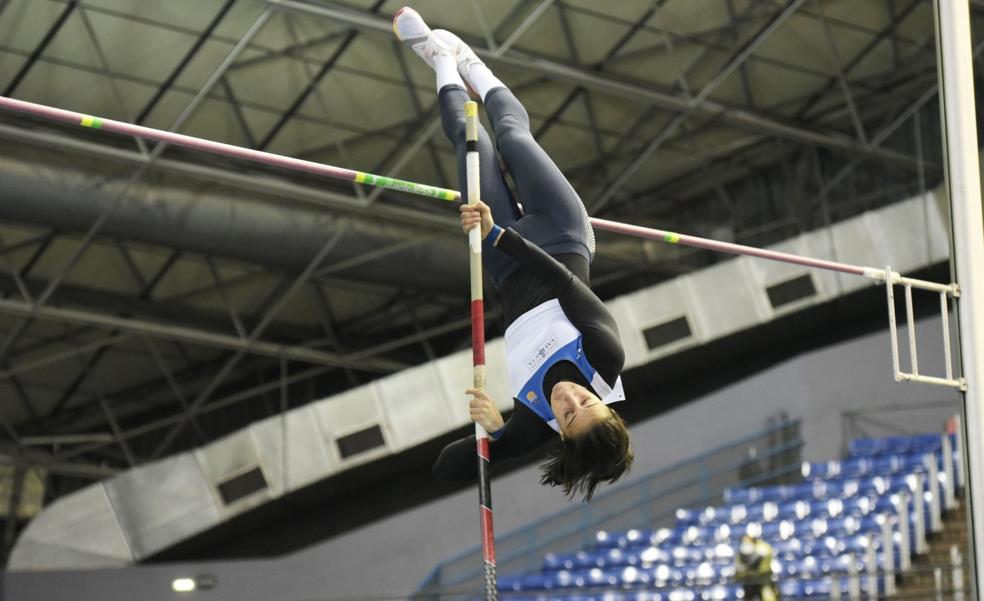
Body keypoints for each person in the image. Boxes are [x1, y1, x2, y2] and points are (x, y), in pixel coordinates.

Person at [393, 8, 633, 501]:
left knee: (470, 143)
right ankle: (471, 63)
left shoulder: (530, 426)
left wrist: (495, 435)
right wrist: (498, 234)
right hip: (561, 237)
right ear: (605, 401)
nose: (568, 397)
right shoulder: (604, 358)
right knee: (515, 138)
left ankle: (439, 58)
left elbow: (447, 468)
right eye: (586, 400)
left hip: (503, 266)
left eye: (568, 412)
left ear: (561, 435)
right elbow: (566, 284)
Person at [735, 534, 778, 601]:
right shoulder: (742, 550)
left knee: (768, 597)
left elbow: (756, 563)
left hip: (763, 580)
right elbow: (739, 569)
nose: (746, 542)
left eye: (747, 540)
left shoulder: (763, 547)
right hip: (749, 582)